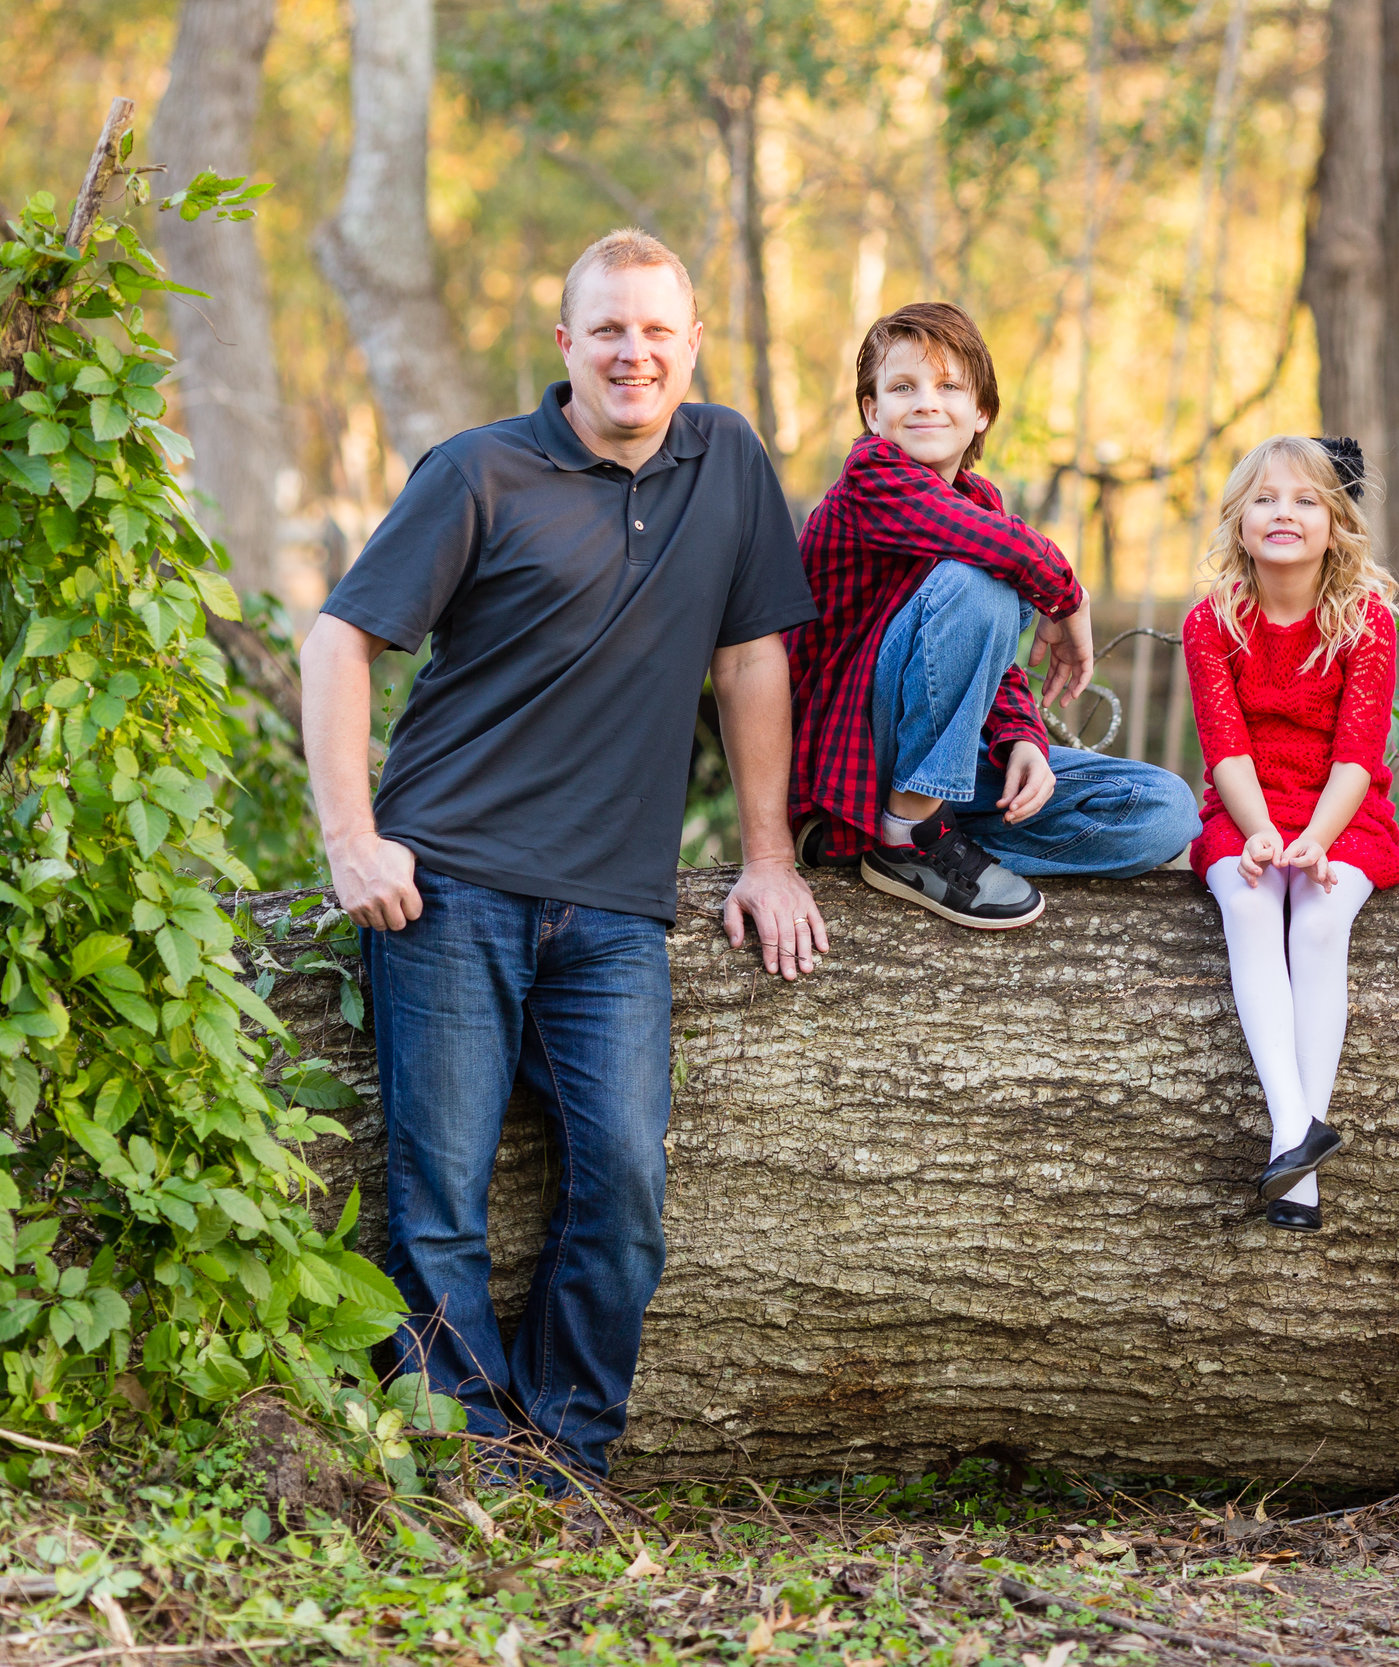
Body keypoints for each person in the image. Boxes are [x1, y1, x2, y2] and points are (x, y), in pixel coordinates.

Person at [301, 229, 827, 1486]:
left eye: (656, 329)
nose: (633, 353)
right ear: (565, 345)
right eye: (607, 330)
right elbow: (338, 640)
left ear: (692, 340)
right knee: (439, 1198)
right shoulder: (482, 471)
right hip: (451, 883)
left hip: (611, 905)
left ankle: (565, 1455)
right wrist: (349, 838)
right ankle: (470, 1460)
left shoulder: (731, 460)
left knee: (627, 1187)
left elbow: (753, 654)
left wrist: (770, 855)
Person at [785, 303, 1197, 925]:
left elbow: (985, 661)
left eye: (949, 386)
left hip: (948, 761)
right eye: (903, 388)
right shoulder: (869, 479)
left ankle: (930, 841)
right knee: (982, 574)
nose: (927, 402)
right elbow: (993, 569)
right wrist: (1068, 595)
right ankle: (904, 832)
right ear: (873, 413)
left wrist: (1021, 737)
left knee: (1165, 809)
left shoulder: (980, 504)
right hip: (859, 756)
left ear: (981, 412)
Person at [1183, 436, 1399, 1232]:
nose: (1284, 513)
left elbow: (1357, 754)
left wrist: (1314, 836)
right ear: (1239, 519)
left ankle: (1297, 1158)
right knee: (1249, 905)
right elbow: (1225, 748)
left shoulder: (1365, 622)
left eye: (1306, 499)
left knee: (1316, 921)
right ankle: (1295, 1126)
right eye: (1267, 498)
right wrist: (1260, 834)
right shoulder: (1212, 622)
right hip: (1244, 808)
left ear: (1336, 521)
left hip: (1341, 812)